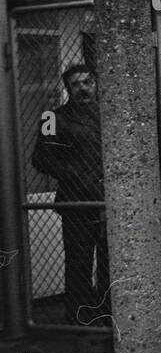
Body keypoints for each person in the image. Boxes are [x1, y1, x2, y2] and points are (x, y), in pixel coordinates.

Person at [31, 64, 109, 325]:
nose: (83, 88)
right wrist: (74, 172)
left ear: (96, 84)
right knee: (79, 262)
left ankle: (108, 311)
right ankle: (80, 316)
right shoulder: (54, 118)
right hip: (77, 200)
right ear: (67, 88)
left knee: (111, 260)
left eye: (87, 82)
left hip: (109, 200)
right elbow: (41, 158)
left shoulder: (109, 114)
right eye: (76, 84)